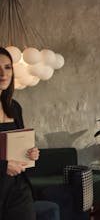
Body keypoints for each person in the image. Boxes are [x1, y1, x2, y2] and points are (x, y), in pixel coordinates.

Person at [0, 47, 39, 220]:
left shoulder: (14, 107)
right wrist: (3, 167)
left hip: (18, 190)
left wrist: (30, 153)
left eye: (8, 67)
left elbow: (19, 144)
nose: (3, 73)